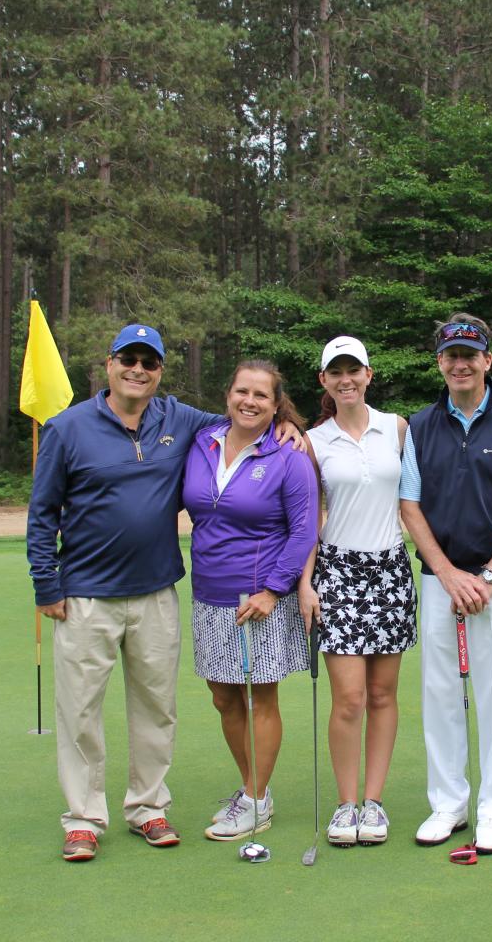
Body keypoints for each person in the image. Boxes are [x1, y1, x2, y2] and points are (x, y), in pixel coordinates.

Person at [27, 324, 215, 862]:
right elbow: (42, 515)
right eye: (128, 359)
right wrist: (46, 583)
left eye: (148, 362)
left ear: (159, 371)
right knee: (80, 709)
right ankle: (83, 817)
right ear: (108, 364)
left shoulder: (177, 419)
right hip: (85, 594)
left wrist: (290, 430)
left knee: (157, 705)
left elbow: (243, 423)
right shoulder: (68, 428)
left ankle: (148, 808)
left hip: (156, 590)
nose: (138, 369)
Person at [399, 314, 492, 855]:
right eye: (450, 355)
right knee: (440, 691)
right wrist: (446, 572)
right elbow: (409, 507)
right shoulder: (419, 425)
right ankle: (448, 804)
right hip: (442, 578)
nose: (460, 364)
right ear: (439, 363)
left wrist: (487, 575)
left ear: (488, 360)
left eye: (470, 354)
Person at [183, 360, 319, 841]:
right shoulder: (202, 442)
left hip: (260, 595)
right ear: (228, 394)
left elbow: (304, 529)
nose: (250, 401)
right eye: (243, 391)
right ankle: (250, 788)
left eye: (262, 396)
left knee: (261, 696)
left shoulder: (288, 455)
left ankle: (258, 799)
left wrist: (273, 590)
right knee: (223, 695)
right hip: (209, 591)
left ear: (276, 404)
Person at [300, 336, 416, 847]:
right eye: (335, 371)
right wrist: (304, 583)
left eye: (354, 369)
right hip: (338, 571)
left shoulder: (397, 428)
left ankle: (374, 801)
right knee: (348, 698)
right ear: (324, 381)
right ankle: (346, 805)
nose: (346, 378)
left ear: (369, 374)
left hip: (390, 569)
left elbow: (416, 499)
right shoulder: (311, 440)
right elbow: (306, 517)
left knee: (382, 694)